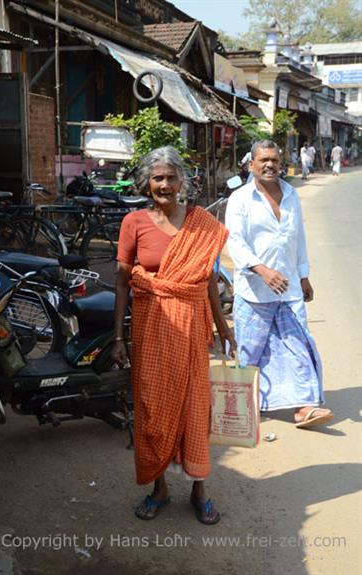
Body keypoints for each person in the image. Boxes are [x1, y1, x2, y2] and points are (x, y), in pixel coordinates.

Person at [111, 146, 236, 524]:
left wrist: (224, 327)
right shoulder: (134, 222)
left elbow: (209, 281)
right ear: (147, 183)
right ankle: (160, 488)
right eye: (157, 178)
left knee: (195, 408)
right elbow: (121, 283)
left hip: (191, 330)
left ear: (183, 181)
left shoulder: (200, 224)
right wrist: (118, 337)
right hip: (150, 328)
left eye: (171, 177)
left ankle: (199, 489)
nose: (164, 184)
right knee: (152, 409)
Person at [225, 139, 334, 429]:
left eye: (274, 160)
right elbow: (235, 242)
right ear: (252, 164)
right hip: (253, 291)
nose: (270, 165)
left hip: (289, 290)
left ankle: (304, 407)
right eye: (264, 160)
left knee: (299, 344)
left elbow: (297, 238)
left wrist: (303, 275)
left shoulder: (290, 194)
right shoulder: (240, 199)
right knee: (250, 351)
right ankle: (239, 407)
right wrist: (262, 270)